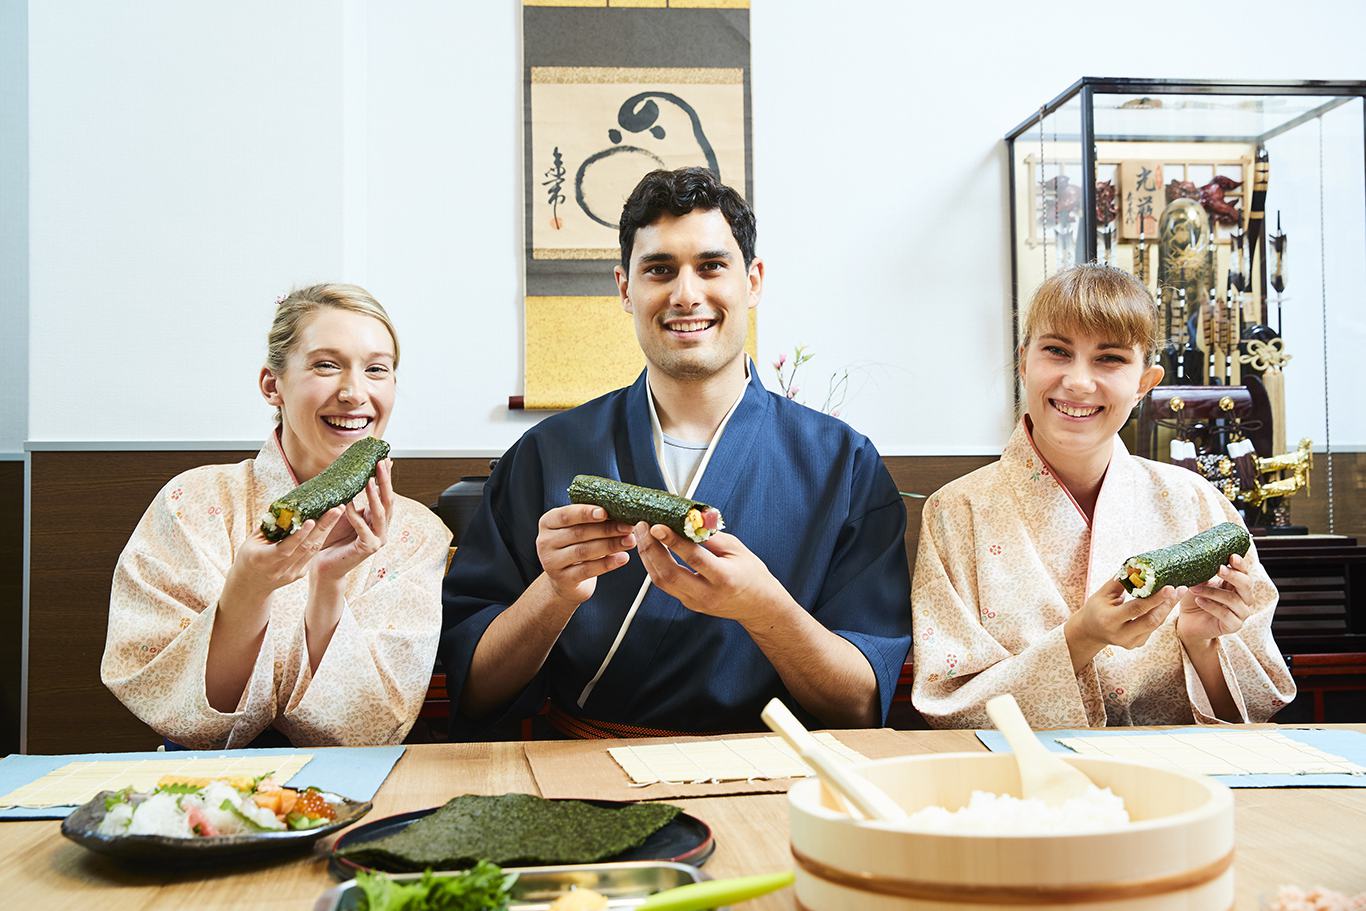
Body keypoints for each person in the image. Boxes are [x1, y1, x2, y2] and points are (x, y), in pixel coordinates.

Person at [441, 167, 910, 738]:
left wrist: (765, 610)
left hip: (773, 779)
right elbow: (476, 693)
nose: (686, 294)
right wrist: (555, 592)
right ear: (624, 288)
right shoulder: (545, 454)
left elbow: (862, 707)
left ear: (753, 281)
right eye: (660, 269)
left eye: (711, 266)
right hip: (583, 778)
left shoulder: (844, 465)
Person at [911, 264, 1295, 729]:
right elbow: (947, 710)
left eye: (1109, 358)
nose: (1078, 381)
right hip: (1022, 787)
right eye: (1056, 351)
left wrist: (1203, 643)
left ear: (1144, 383)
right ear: (1024, 362)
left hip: (1175, 782)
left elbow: (1256, 713)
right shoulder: (956, 511)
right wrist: (1080, 637)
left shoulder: (1196, 503)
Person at [102, 284, 452, 748]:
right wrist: (249, 587)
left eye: (376, 370)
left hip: (355, 786)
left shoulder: (418, 534)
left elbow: (366, 728)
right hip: (205, 787)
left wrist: (328, 586)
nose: (354, 392)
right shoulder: (191, 502)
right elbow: (192, 724)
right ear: (273, 385)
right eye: (326, 365)